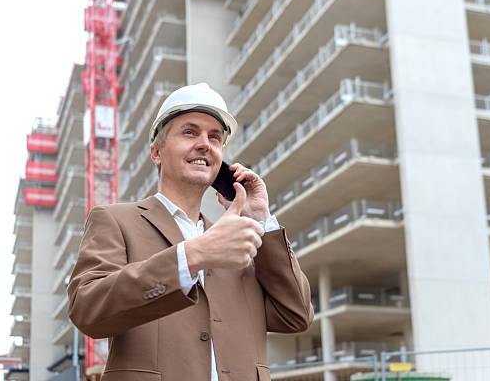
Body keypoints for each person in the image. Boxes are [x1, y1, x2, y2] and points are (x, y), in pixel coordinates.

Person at [67, 83, 314, 381]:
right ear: (156, 152)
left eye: (214, 137)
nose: (204, 144)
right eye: (189, 132)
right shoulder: (115, 221)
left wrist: (261, 219)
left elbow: (297, 315)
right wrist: (191, 256)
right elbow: (87, 309)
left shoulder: (242, 243)